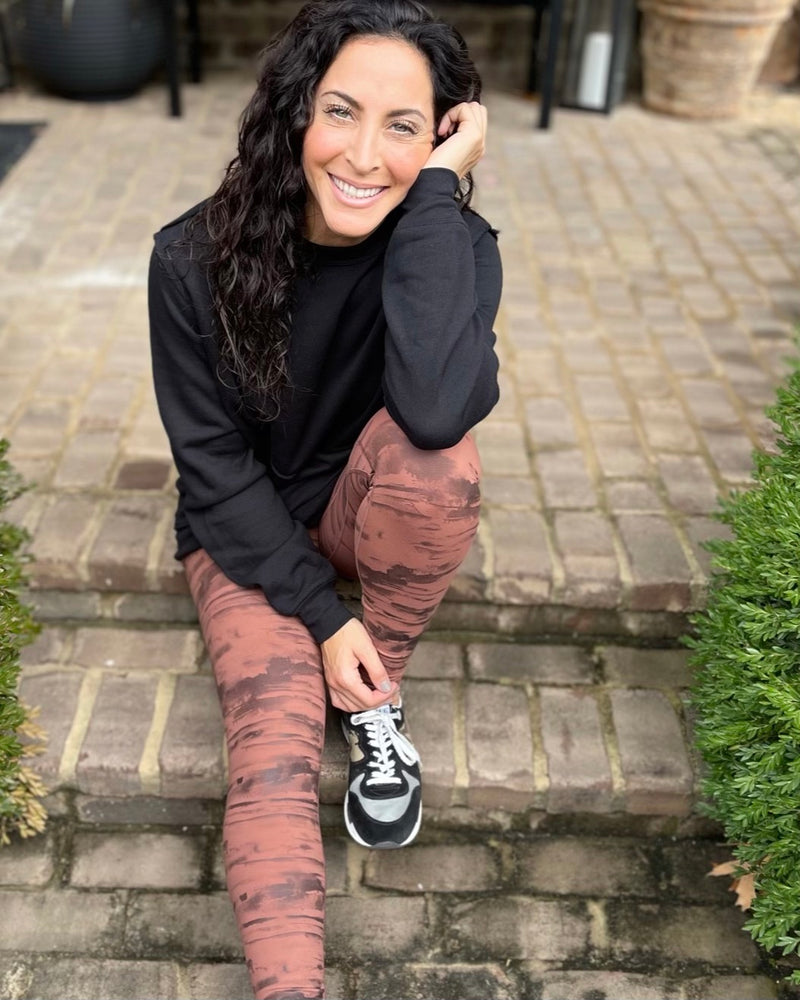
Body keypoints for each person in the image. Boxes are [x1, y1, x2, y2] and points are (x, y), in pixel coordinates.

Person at [148, 1, 502, 996]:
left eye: (403, 126)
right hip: (244, 527)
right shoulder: (191, 258)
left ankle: (372, 686)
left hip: (367, 502)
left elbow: (434, 408)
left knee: (441, 464)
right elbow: (212, 468)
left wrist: (434, 193)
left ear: (441, 135)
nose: (362, 154)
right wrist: (311, 611)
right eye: (339, 112)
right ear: (294, 112)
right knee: (269, 747)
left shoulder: (452, 249)